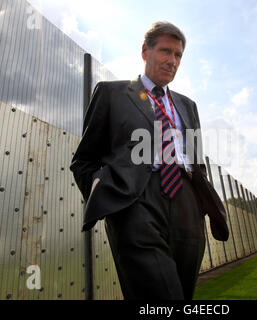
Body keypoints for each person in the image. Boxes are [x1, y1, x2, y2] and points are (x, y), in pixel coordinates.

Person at [70, 21, 228, 300]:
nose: (172, 61)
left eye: (178, 55)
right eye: (165, 51)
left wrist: (200, 202)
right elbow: (84, 159)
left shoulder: (188, 105)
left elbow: (196, 159)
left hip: (188, 201)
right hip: (135, 199)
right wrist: (110, 199)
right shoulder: (112, 93)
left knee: (182, 291)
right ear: (145, 51)